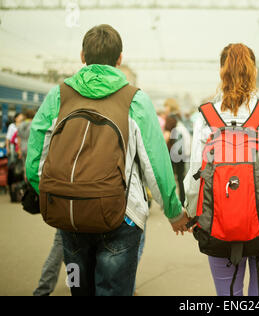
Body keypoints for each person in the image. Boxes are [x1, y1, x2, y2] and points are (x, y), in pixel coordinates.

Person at [25, 24, 189, 296]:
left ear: (82, 56)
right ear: (120, 59)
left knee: (79, 288)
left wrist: (56, 194)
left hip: (70, 215)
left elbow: (35, 159)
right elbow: (156, 165)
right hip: (121, 216)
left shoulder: (58, 96)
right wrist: (173, 212)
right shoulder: (134, 100)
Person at [183, 43, 259, 296]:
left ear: (221, 72)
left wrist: (192, 214)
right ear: (254, 72)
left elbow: (194, 176)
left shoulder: (205, 116)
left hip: (219, 228)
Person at [163, 98, 191, 206]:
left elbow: (167, 135)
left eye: (166, 106)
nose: (165, 109)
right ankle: (183, 200)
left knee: (169, 178)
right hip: (181, 151)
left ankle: (170, 202)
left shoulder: (170, 119)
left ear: (170, 107)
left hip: (172, 151)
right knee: (181, 177)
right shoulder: (180, 117)